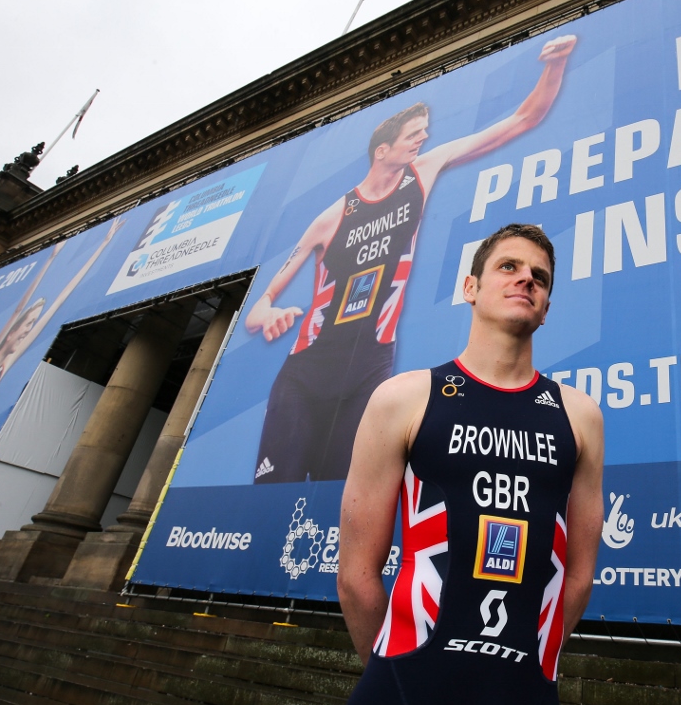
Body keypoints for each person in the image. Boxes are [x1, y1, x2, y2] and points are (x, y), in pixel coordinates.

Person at [244, 35, 577, 485]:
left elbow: (522, 118)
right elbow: (262, 302)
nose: (423, 138)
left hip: (371, 371)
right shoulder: (331, 217)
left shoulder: (422, 173)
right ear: (382, 150)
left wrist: (554, 68)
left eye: (424, 132)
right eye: (412, 134)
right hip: (305, 374)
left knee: (340, 500)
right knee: (271, 499)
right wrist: (267, 312)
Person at [337, 223, 604, 705]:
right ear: (471, 288)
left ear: (547, 308)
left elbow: (577, 578)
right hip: (403, 697)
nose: (526, 280)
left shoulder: (580, 415)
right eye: (509, 266)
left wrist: (528, 659)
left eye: (540, 278)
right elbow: (356, 576)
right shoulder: (404, 398)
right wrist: (396, 667)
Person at [0, 220, 122, 498]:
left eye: (31, 326)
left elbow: (57, 304)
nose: (28, 330)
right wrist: (49, 260)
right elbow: (19, 308)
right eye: (26, 324)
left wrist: (103, 244)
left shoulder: (5, 366)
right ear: (13, 327)